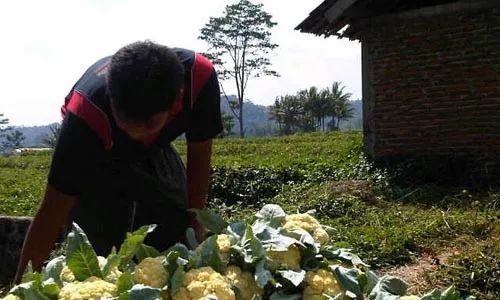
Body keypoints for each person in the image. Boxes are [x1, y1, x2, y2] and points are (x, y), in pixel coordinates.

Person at [14, 40, 222, 282]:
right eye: (127, 125)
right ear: (111, 100)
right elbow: (53, 207)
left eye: (148, 126)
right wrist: (20, 288)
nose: (136, 134)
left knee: (176, 229)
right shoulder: (85, 117)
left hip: (157, 148)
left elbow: (199, 153)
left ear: (178, 98)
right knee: (101, 255)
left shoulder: (199, 79)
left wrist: (195, 220)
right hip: (99, 152)